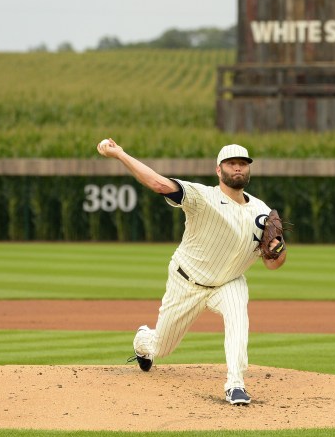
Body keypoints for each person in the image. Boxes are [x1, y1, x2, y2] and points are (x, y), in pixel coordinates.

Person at [96, 139, 288, 406]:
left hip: (229, 282)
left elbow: (272, 264)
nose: (237, 168)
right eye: (231, 164)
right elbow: (159, 184)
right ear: (218, 170)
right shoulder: (202, 196)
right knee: (162, 347)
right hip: (187, 281)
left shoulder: (262, 212)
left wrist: (279, 251)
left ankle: (235, 384)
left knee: (238, 318)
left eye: (242, 164)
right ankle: (143, 339)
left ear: (248, 171)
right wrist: (120, 154)